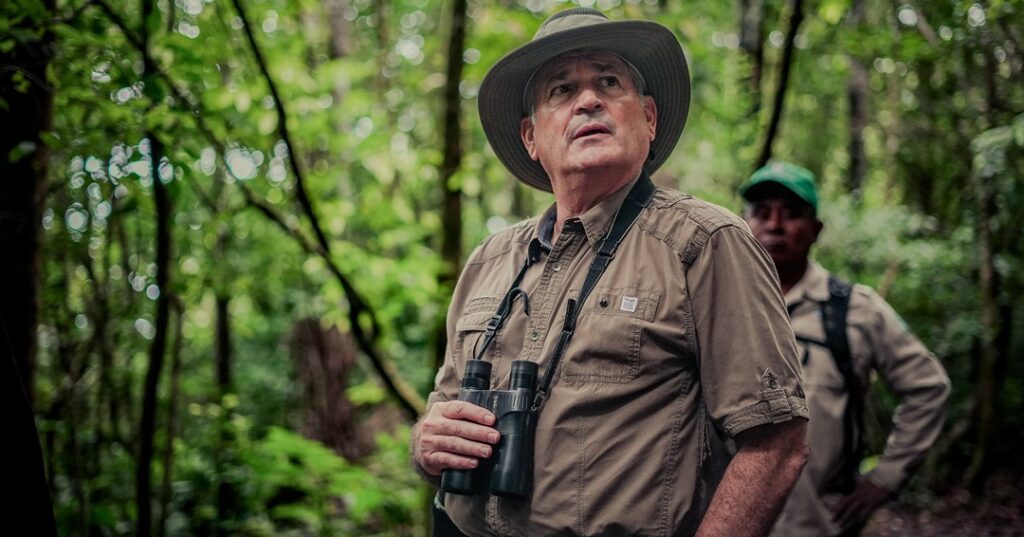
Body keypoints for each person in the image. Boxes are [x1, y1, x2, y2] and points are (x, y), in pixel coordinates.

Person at [412, 8, 810, 537]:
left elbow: (777, 446)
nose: (588, 100)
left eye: (608, 81)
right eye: (560, 90)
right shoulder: (489, 261)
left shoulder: (705, 243)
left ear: (647, 118)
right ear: (532, 137)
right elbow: (442, 407)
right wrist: (426, 443)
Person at [739, 162, 951, 537]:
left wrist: (885, 479)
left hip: (816, 525)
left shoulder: (854, 310)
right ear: (743, 224)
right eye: (761, 212)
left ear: (815, 229)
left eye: (790, 214)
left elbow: (928, 388)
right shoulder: (717, 303)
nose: (774, 225)